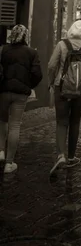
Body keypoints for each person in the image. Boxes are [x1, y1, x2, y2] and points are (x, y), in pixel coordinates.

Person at [48, 19, 81, 174]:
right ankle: (71, 156)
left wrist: (52, 82)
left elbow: (51, 65)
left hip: (61, 86)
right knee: (75, 121)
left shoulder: (62, 45)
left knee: (61, 122)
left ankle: (60, 155)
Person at [0, 24, 42, 174]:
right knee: (15, 125)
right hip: (21, 94)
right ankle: (9, 163)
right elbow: (37, 74)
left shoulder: (3, 50)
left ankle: (1, 152)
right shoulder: (31, 53)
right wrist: (28, 86)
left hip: (3, 91)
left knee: (2, 121)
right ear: (26, 36)